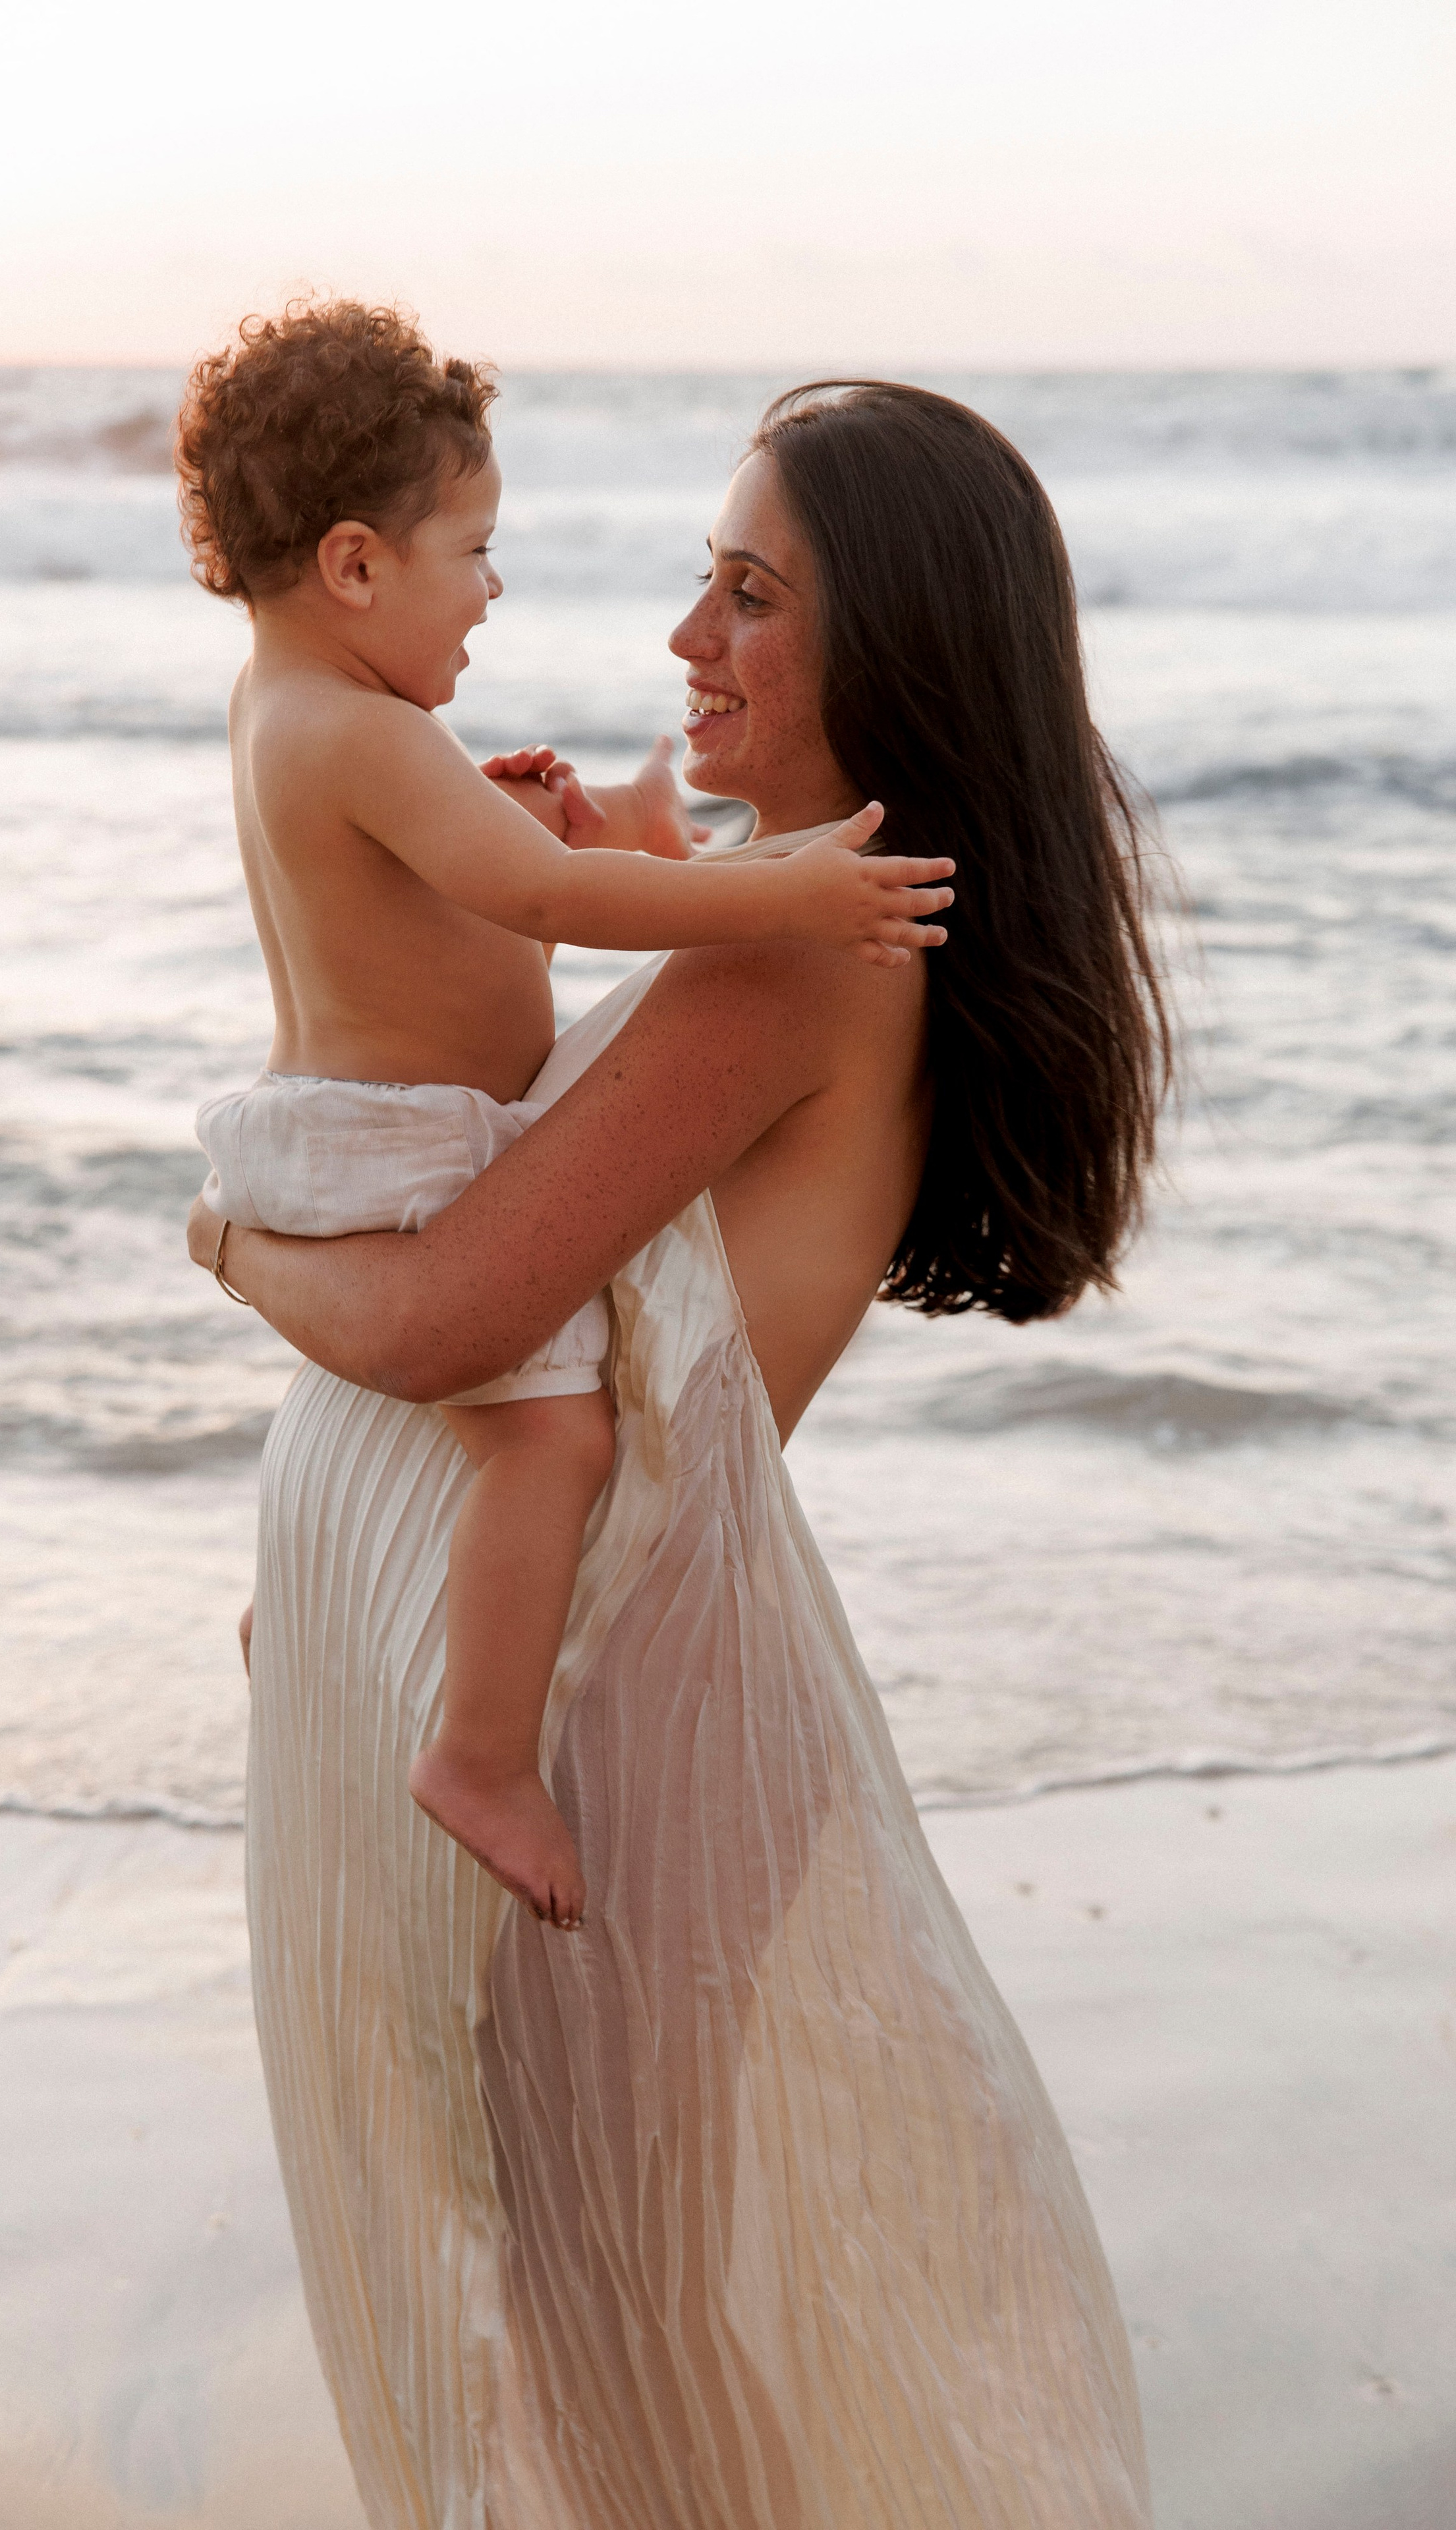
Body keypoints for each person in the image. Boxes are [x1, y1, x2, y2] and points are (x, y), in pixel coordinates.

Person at [190, 379, 1169, 2526]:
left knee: (612, 2341)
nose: (682, 643)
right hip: (600, 1718)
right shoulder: (771, 918)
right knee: (594, 2322)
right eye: (701, 582)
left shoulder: (800, 965)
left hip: (608, 1746)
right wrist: (589, 882)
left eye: (749, 597)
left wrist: (236, 1238)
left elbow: (452, 1312)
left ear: (894, 640)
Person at [181, 301, 954, 1930]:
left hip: (346, 1136)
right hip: (383, 1152)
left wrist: (588, 853)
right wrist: (764, 888)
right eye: (473, 548)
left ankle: (294, 1626)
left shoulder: (300, 716)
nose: (497, 583)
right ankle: (477, 1753)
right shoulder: (375, 736)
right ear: (352, 565)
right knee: (546, 1430)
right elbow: (540, 908)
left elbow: (482, 934)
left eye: (743, 595)